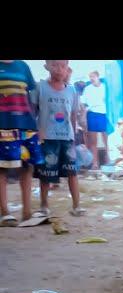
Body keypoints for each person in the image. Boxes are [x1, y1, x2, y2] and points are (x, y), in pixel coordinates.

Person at [32, 60, 85, 217]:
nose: (59, 69)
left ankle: (76, 206)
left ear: (67, 68)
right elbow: (33, 111)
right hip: (47, 138)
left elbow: (74, 114)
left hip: (66, 138)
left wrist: (74, 135)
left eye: (63, 65)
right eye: (54, 65)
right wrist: (36, 133)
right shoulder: (40, 87)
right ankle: (43, 205)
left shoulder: (72, 91)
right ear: (47, 66)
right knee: (46, 173)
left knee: (72, 171)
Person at [0, 60, 43, 226]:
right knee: (2, 167)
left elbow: (31, 97)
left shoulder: (24, 67)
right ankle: (4, 213)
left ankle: (27, 212)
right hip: (3, 123)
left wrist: (35, 123)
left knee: (27, 165)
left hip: (26, 123)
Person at [82, 70, 109, 169]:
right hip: (92, 114)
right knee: (93, 141)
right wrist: (84, 118)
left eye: (93, 76)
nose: (91, 79)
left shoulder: (104, 87)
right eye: (90, 77)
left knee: (106, 139)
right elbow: (84, 105)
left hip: (103, 113)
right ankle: (95, 163)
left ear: (98, 76)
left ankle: (108, 160)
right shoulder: (87, 89)